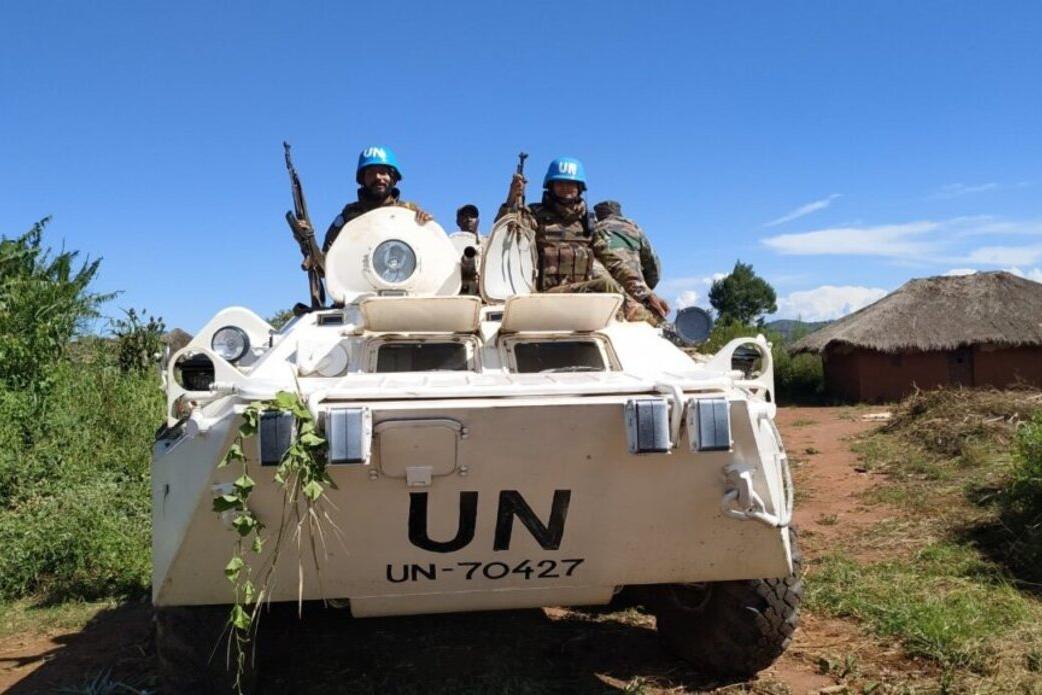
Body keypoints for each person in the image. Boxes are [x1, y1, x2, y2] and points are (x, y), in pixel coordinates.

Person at [497, 157, 668, 323]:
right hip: (547, 295)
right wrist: (512, 199)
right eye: (560, 183)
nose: (566, 188)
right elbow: (507, 233)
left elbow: (614, 262)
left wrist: (646, 295)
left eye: (571, 184)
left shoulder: (588, 222)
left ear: (580, 188)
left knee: (641, 310)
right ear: (550, 186)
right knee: (606, 286)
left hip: (584, 296)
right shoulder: (534, 214)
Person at [321, 146, 433, 252]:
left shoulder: (408, 212)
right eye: (371, 173)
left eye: (383, 172)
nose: (378, 177)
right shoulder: (349, 215)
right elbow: (327, 256)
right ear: (362, 179)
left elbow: (430, 249)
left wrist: (426, 224)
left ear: (393, 178)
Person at [593, 200, 669, 323]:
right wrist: (647, 290)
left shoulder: (593, 230)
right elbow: (653, 266)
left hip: (607, 296)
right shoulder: (633, 228)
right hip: (637, 290)